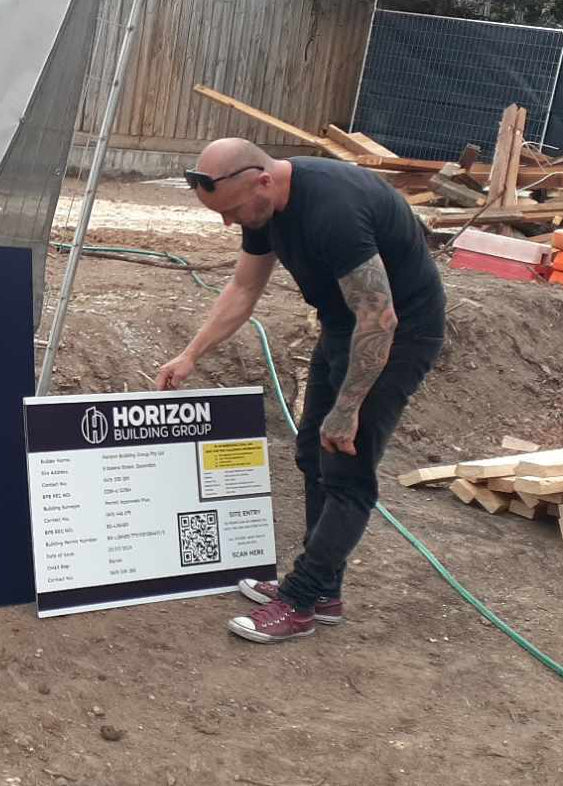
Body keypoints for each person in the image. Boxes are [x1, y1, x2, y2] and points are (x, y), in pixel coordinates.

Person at [156, 138, 445, 643]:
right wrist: (191, 354)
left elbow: (380, 317)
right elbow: (244, 289)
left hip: (397, 335)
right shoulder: (262, 211)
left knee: (347, 467)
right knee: (312, 452)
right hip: (343, 325)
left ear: (263, 180)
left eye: (233, 211)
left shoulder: (333, 210)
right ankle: (324, 590)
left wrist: (349, 407)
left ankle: (301, 601)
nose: (230, 224)